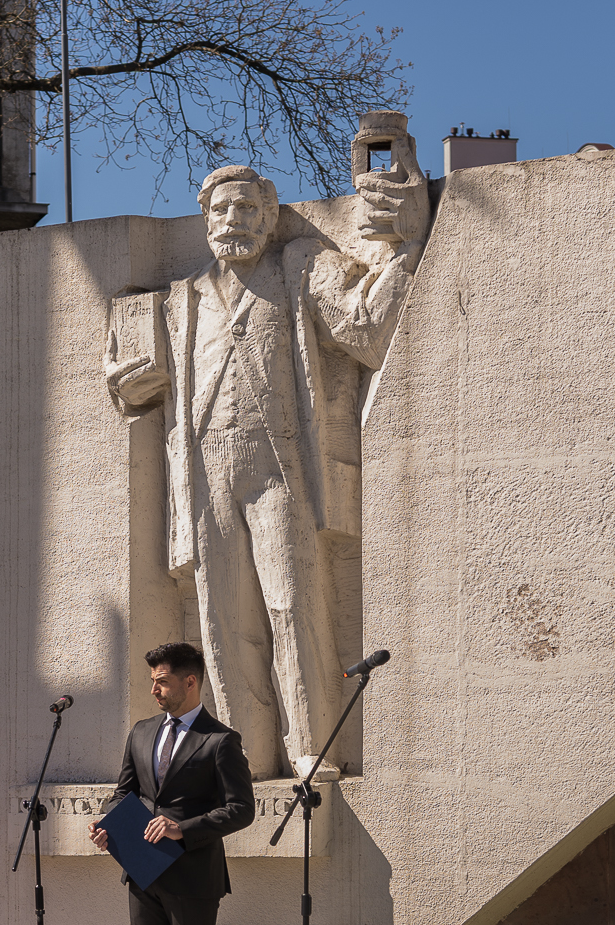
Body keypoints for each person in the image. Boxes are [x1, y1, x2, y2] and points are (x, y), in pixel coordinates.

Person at [103, 159, 427, 779]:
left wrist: (404, 246)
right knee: (224, 624)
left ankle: (312, 747)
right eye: (222, 210)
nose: (235, 221)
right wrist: (122, 380)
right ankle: (242, 757)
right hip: (205, 477)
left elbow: (364, 325)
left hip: (281, 470)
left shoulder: (299, 263)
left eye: (249, 208)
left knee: (291, 605)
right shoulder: (182, 298)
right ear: (205, 221)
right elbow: (131, 387)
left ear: (271, 215)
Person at [86, 641, 255, 925]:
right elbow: (124, 792)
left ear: (190, 682)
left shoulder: (221, 741)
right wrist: (105, 822)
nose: (154, 689)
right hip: (142, 876)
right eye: (152, 681)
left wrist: (185, 829)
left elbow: (242, 810)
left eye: (161, 680)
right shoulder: (141, 733)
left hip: (194, 879)